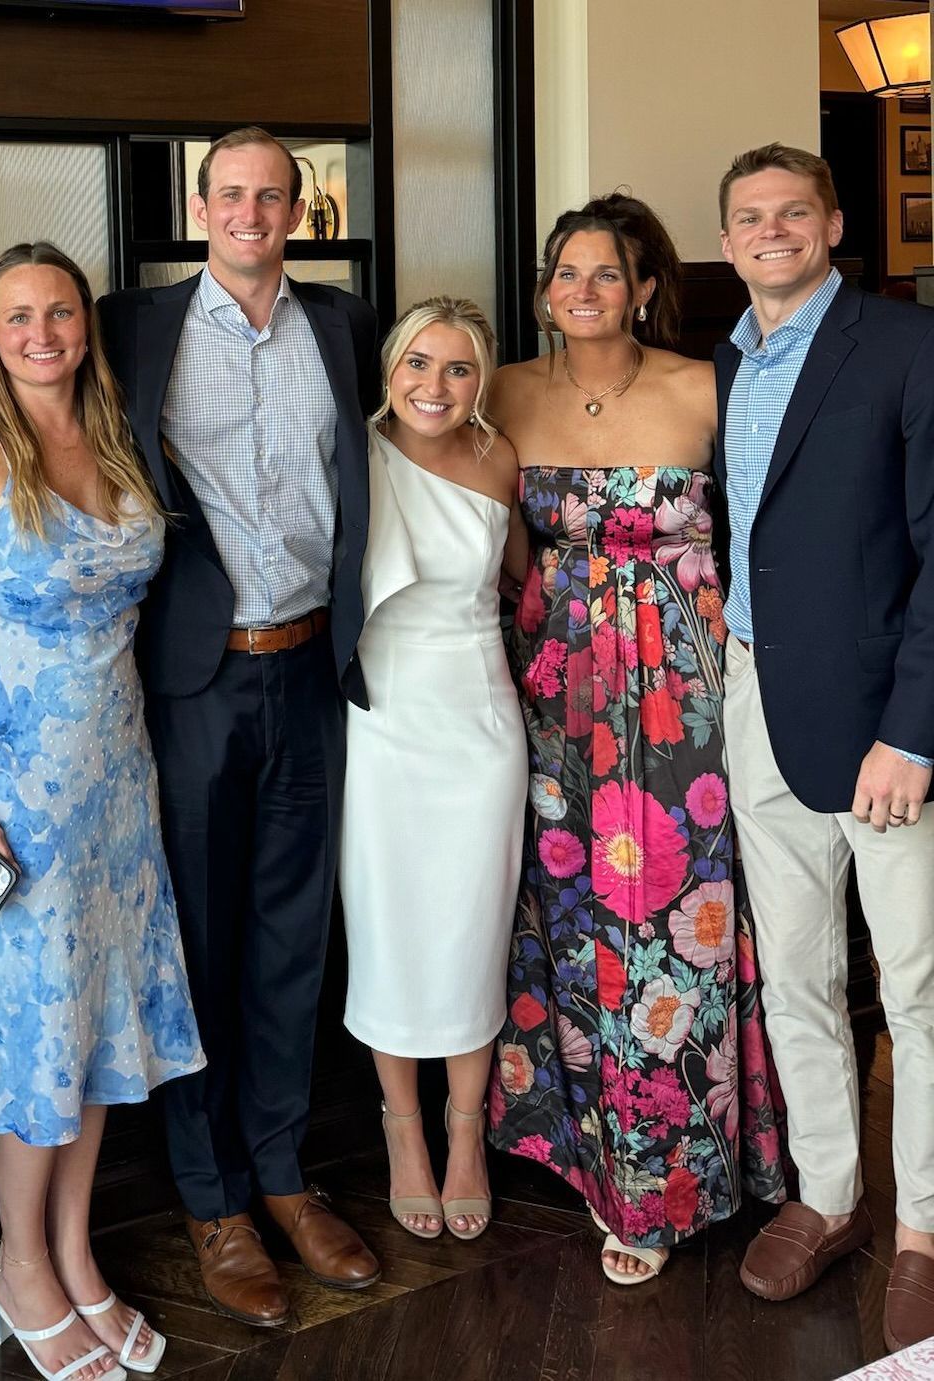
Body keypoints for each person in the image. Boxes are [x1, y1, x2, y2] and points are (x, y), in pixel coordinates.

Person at [97, 126, 381, 1327]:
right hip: (193, 679)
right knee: (198, 941)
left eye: (274, 194)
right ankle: (210, 1196)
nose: (252, 210)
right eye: (231, 193)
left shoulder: (346, 324)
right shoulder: (131, 327)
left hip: (314, 666)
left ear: (300, 210)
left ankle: (281, 1172)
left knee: (291, 940)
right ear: (200, 205)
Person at [487, 193, 787, 1285]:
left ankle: (674, 1171)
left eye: (605, 274)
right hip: (557, 696)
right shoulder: (507, 391)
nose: (583, 293)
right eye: (565, 274)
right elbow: (480, 525)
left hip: (685, 701)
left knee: (681, 921)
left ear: (646, 286)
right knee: (567, 919)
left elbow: (771, 531)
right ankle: (581, 1152)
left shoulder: (707, 385)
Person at [0, 241, 204, 1381]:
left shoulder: (122, 432)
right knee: (32, 1039)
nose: (42, 332)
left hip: (116, 785)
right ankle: (17, 1264)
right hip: (12, 794)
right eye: (17, 316)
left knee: (91, 1030)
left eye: (61, 311)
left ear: (87, 321)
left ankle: (75, 1253)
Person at [712, 144, 934, 1351]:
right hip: (758, 710)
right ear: (730, 236)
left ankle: (924, 1232)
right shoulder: (733, 356)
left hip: (884, 733)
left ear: (834, 223)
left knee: (917, 988)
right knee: (795, 974)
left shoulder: (907, 347)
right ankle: (834, 1196)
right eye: (750, 217)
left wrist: (914, 731)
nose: (772, 230)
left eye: (793, 211)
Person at [341, 297, 528, 1244]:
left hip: (481, 724)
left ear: (482, 380)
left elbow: (524, 578)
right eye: (419, 364)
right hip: (381, 726)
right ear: (389, 369)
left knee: (469, 928)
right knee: (388, 927)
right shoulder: (355, 451)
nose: (436, 386)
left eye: (458, 369)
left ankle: (467, 1135)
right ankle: (402, 1130)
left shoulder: (500, 456)